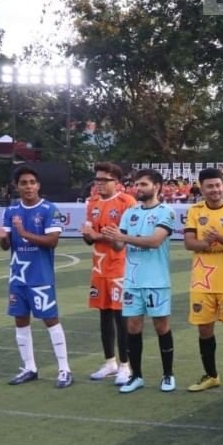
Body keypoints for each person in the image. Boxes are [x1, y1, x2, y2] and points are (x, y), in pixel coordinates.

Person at [0, 165, 73, 387]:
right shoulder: (10, 211)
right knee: (20, 321)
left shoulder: (49, 209)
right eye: (23, 183)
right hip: (18, 277)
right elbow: (6, 246)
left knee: (50, 319)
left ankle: (64, 369)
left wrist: (24, 233)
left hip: (40, 276)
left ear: (38, 185)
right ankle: (29, 367)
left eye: (32, 182)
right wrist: (1, 237)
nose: (28, 187)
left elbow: (52, 242)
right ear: (16, 187)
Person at [102, 168, 177, 393]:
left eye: (144, 184)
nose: (139, 188)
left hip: (156, 280)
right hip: (132, 280)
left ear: (157, 186)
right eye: (137, 184)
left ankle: (167, 375)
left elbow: (155, 241)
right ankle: (137, 376)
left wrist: (122, 237)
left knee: (161, 326)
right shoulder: (130, 213)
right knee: (133, 327)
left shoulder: (166, 211)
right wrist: (112, 237)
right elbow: (119, 246)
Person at [182, 167, 223, 393]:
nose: (215, 190)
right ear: (201, 188)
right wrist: (209, 244)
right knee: (204, 329)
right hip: (202, 281)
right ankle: (211, 375)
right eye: (209, 186)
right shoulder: (194, 210)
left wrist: (217, 237)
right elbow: (189, 243)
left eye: (218, 185)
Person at [81, 161, 136, 386]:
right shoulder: (92, 203)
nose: (99, 184)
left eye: (104, 180)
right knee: (103, 315)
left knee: (120, 317)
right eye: (97, 180)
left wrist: (97, 235)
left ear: (117, 182)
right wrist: (88, 235)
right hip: (99, 267)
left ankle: (126, 365)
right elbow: (88, 237)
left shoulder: (127, 202)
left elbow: (122, 240)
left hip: (119, 267)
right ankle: (110, 362)